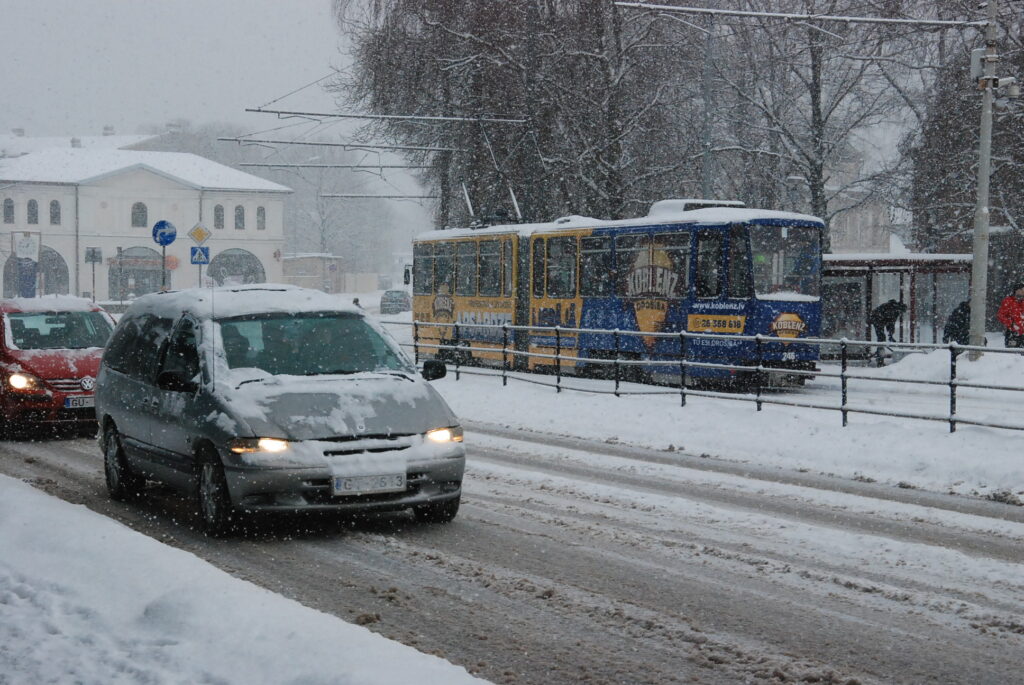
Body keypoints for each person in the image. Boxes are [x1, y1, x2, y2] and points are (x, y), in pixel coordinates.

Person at [996, 282, 1024, 348]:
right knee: (1012, 355)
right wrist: (1011, 324)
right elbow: (1000, 315)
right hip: (1012, 333)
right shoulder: (1008, 301)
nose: (1023, 292)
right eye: (1021, 290)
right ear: (1016, 291)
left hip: (1022, 332)